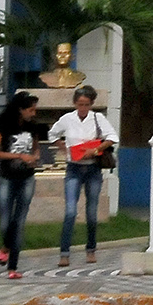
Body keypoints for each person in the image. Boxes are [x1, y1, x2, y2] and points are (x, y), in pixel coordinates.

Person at [47, 84, 117, 267]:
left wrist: (96, 149)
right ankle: (64, 252)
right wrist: (64, 148)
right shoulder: (67, 119)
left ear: (91, 104)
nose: (83, 108)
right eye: (80, 104)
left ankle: (91, 249)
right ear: (75, 104)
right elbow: (52, 134)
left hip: (92, 168)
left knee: (91, 212)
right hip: (74, 168)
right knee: (70, 211)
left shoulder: (97, 118)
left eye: (86, 104)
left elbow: (112, 137)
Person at [0, 93, 41, 279]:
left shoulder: (32, 127)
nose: (33, 114)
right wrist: (19, 156)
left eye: (34, 110)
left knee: (18, 222)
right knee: (5, 222)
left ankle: (12, 267)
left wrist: (35, 157)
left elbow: (36, 148)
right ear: (20, 109)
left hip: (27, 178)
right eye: (30, 110)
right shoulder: (3, 125)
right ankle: (5, 246)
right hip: (7, 178)